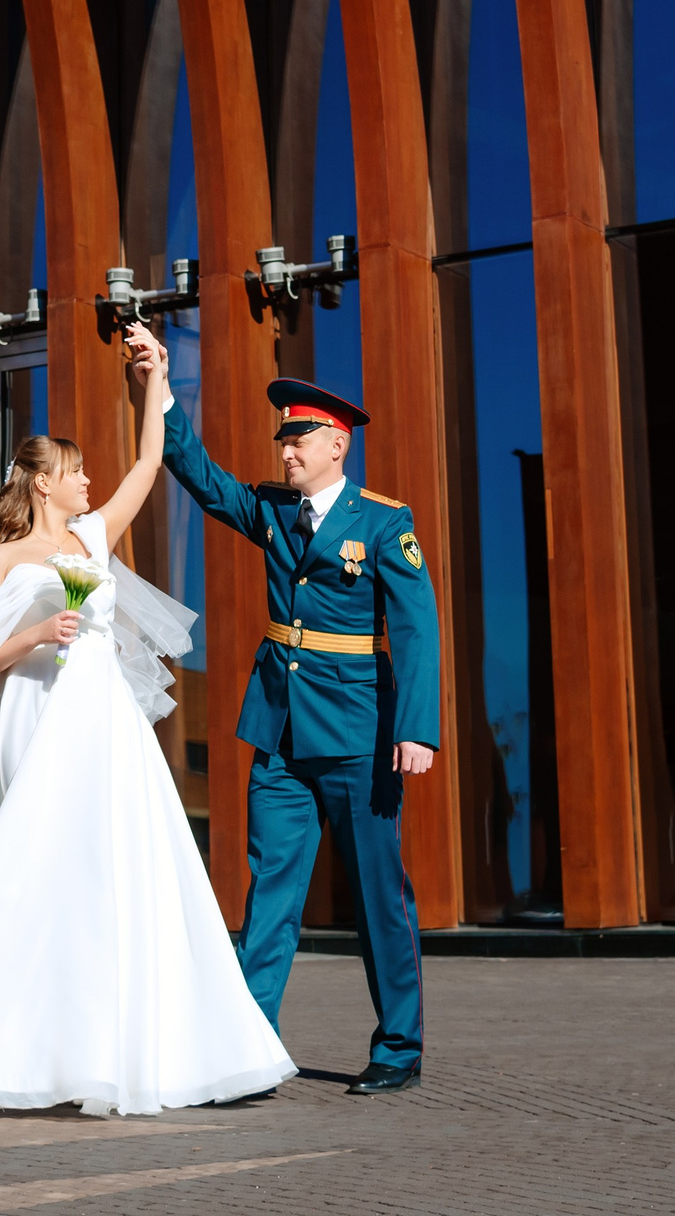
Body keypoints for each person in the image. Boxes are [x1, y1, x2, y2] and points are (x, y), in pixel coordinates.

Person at [0, 324, 295, 1117]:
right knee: (34, 875)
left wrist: (154, 377)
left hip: (107, 733)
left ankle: (136, 1048)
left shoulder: (90, 539)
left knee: (117, 877)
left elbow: (147, 464)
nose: (89, 479)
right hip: (37, 726)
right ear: (40, 485)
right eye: (72, 471)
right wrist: (34, 633)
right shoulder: (6, 560)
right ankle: (7, 1045)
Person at [140, 329, 439, 1095]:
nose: (286, 453)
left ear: (337, 443)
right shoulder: (272, 512)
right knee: (269, 892)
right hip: (278, 733)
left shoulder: (383, 523)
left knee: (380, 899)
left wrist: (416, 726)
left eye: (299, 438)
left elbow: (414, 627)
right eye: (283, 441)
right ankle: (249, 1048)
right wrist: (162, 388)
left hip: (358, 737)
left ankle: (399, 1047)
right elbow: (200, 477)